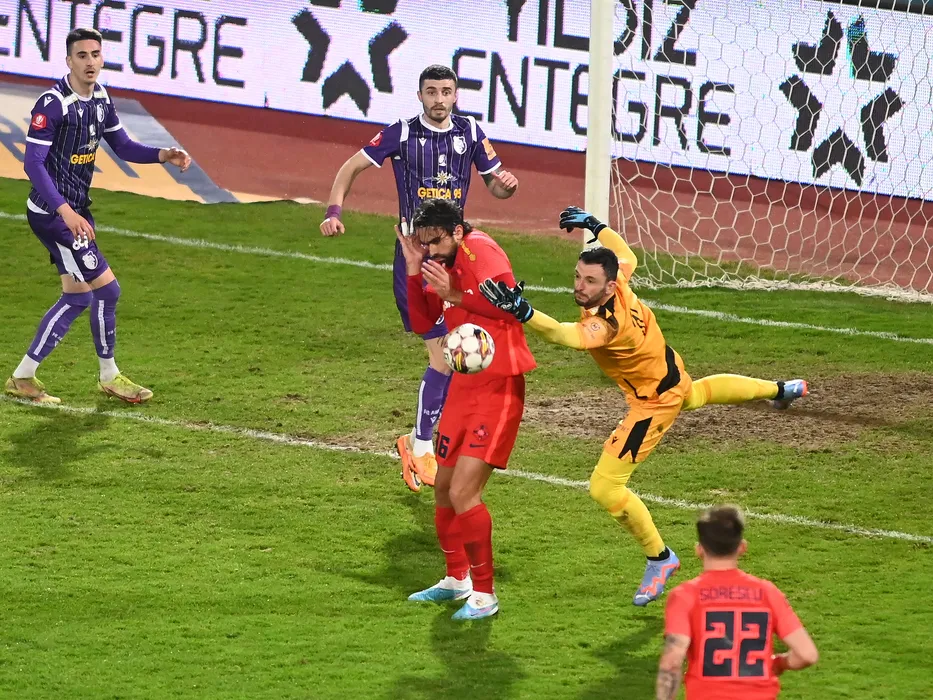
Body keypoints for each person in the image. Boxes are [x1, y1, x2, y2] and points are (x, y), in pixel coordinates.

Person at [480, 207, 809, 605]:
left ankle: (660, 557)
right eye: (578, 276)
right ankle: (781, 389)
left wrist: (524, 312)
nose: (580, 287)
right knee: (698, 394)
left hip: (653, 403)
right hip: (668, 370)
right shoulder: (619, 278)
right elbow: (626, 254)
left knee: (605, 487)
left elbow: (567, 336)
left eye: (590, 281)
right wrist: (595, 225)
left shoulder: (608, 324)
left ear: (608, 284)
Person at [319, 64, 519, 493]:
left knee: (453, 355)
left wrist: (507, 185)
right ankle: (421, 446)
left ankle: (423, 441)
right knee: (444, 356)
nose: (439, 99)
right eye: (432, 91)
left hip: (455, 258)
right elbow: (350, 167)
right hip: (416, 257)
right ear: (420, 95)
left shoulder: (470, 132)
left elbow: (496, 186)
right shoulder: (403, 133)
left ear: (456, 95)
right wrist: (334, 211)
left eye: (446, 91)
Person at [5, 28, 191, 405]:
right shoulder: (53, 104)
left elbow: (122, 146)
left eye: (95, 54)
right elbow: (33, 164)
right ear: (69, 61)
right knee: (108, 290)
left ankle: (22, 377)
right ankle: (110, 376)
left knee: (77, 298)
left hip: (74, 211)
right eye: (82, 55)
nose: (90, 62)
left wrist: (162, 155)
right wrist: (65, 211)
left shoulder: (101, 98)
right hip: (53, 214)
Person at [395, 198, 535, 620]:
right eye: (424, 244)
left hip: (499, 387)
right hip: (463, 388)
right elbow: (424, 323)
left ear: (456, 231)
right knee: (443, 487)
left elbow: (511, 305)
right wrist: (414, 269)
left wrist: (455, 294)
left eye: (435, 242)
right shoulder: (437, 262)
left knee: (463, 492)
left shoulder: (481, 251)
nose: (431, 251)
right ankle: (457, 580)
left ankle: (486, 595)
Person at [656, 505, 818, 699]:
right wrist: (779, 663)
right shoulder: (767, 593)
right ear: (742, 547)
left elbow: (672, 661)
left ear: (699, 550)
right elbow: (807, 654)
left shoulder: (685, 596)